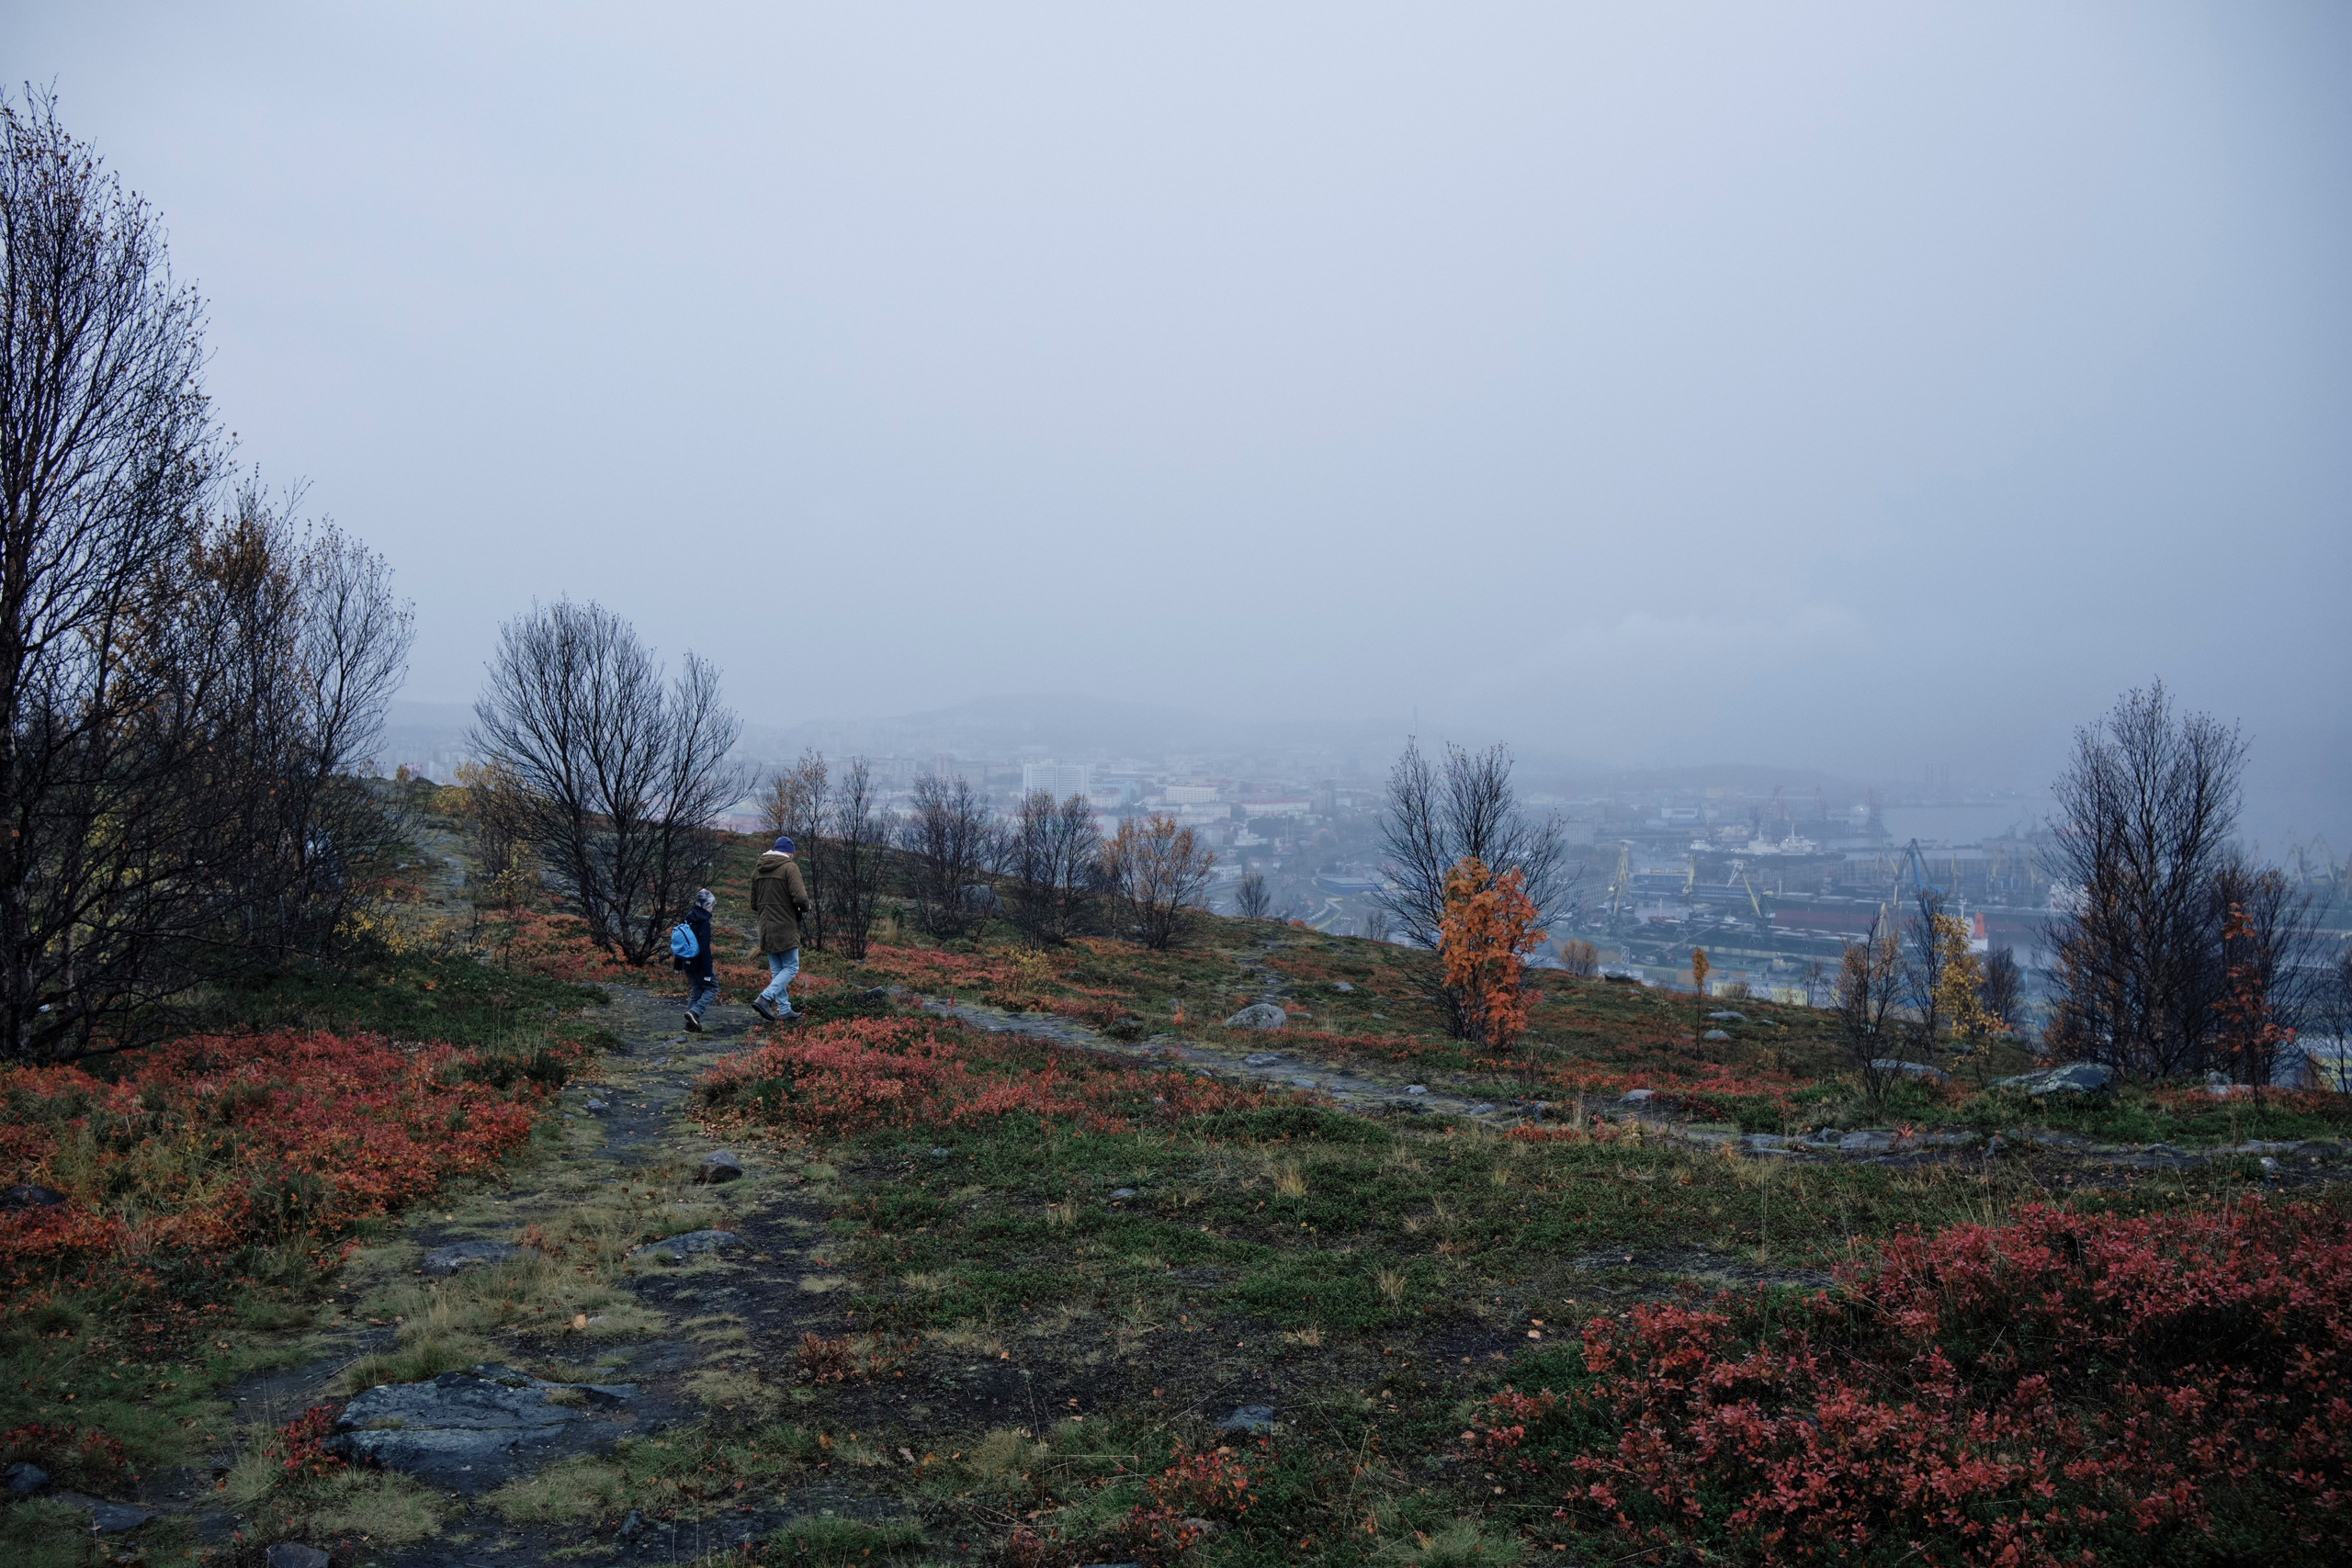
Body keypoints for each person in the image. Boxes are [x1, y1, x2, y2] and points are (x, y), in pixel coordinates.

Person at [748, 835, 814, 1022]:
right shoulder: (789, 867)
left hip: (766, 928)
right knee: (792, 966)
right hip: (785, 926)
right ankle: (765, 998)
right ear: (789, 853)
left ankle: (784, 1010)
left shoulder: (757, 870)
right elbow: (800, 897)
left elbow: (754, 904)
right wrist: (804, 908)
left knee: (778, 971)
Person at [677, 887, 718, 1032]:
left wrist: (678, 964)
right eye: (712, 905)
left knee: (696, 991)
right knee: (712, 988)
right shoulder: (704, 923)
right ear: (707, 905)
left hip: (687, 962)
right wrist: (707, 972)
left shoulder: (688, 917)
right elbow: (704, 949)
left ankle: (690, 1026)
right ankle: (695, 1012)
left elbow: (681, 942)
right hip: (700, 964)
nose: (712, 908)